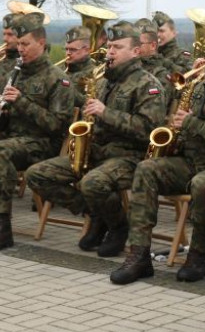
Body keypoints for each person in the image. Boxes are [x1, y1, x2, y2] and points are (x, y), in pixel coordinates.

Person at [111, 19, 205, 285]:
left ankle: (198, 254)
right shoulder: (203, 83)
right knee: (146, 169)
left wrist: (193, 124)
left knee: (202, 183)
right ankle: (139, 254)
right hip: (193, 159)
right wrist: (174, 136)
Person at [27, 21, 166, 255]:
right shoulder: (102, 81)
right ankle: (97, 214)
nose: (110, 51)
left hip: (129, 157)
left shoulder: (148, 85)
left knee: (93, 183)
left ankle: (118, 227)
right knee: (38, 175)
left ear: (136, 51)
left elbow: (148, 131)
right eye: (110, 46)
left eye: (118, 47)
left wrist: (105, 113)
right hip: (97, 152)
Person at [0, 12, 74, 251]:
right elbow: (7, 118)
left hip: (41, 144)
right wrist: (1, 112)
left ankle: (1, 225)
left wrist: (20, 102)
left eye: (25, 44)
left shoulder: (58, 79)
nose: (20, 49)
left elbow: (56, 126)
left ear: (41, 43)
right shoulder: (14, 73)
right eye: (18, 44)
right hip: (13, 139)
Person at [135, 17, 176, 106]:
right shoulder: (130, 67)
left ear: (153, 46)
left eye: (139, 44)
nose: (135, 47)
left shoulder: (161, 75)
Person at [62, 25, 97, 110]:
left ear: (86, 50)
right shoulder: (60, 69)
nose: (68, 53)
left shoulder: (95, 73)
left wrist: (63, 88)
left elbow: (91, 103)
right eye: (66, 49)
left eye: (73, 49)